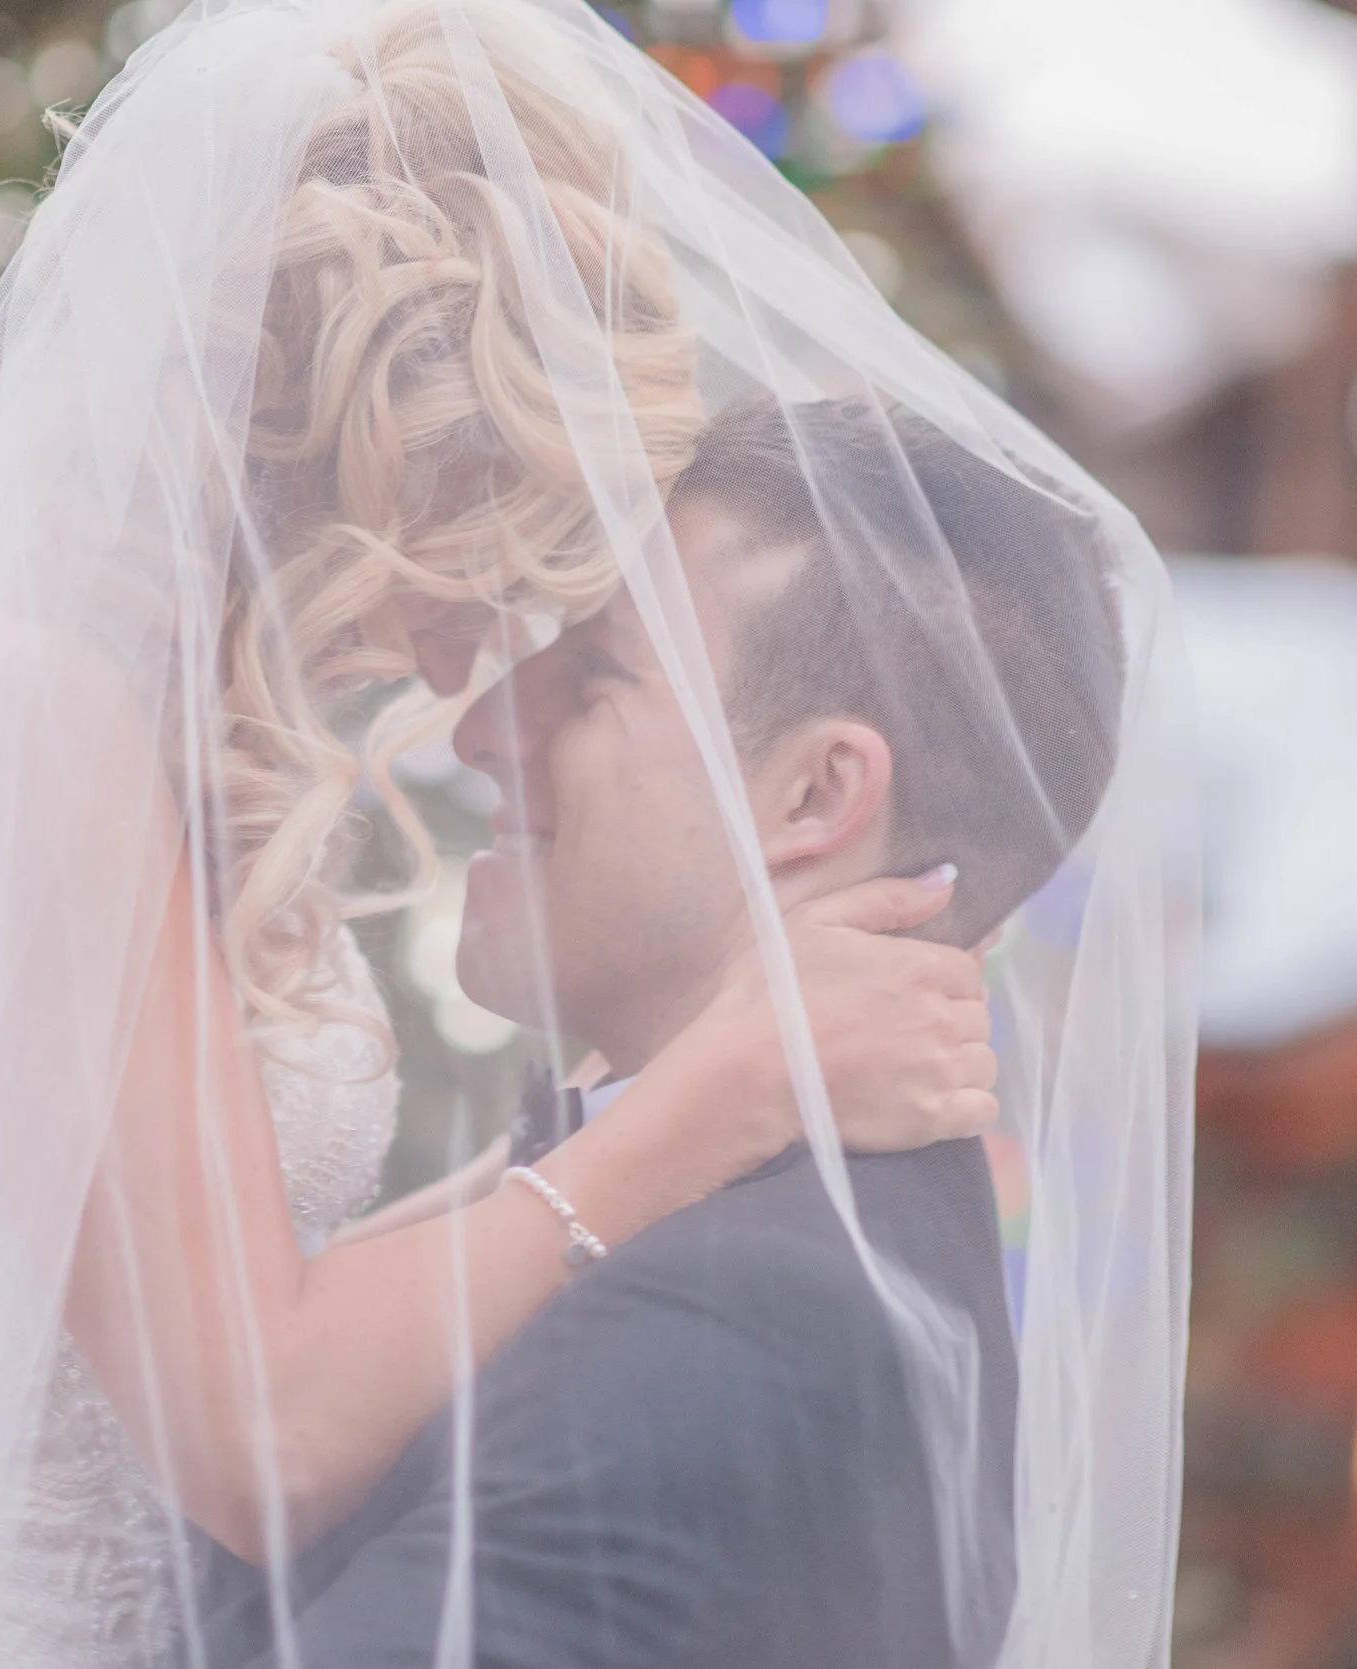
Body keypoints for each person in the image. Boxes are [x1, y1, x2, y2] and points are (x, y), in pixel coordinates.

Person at [0, 3, 1197, 1669]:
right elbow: (263, 1425)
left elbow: (268, 1304)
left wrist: (665, 1101)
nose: (473, 678)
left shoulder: (184, 754)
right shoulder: (21, 719)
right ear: (370, 465)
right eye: (501, 549)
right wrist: (719, 1090)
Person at [190, 391, 1124, 1667]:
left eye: (596, 672)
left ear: (815, 793)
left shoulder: (746, 1320)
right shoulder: (730, 1218)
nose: (481, 727)